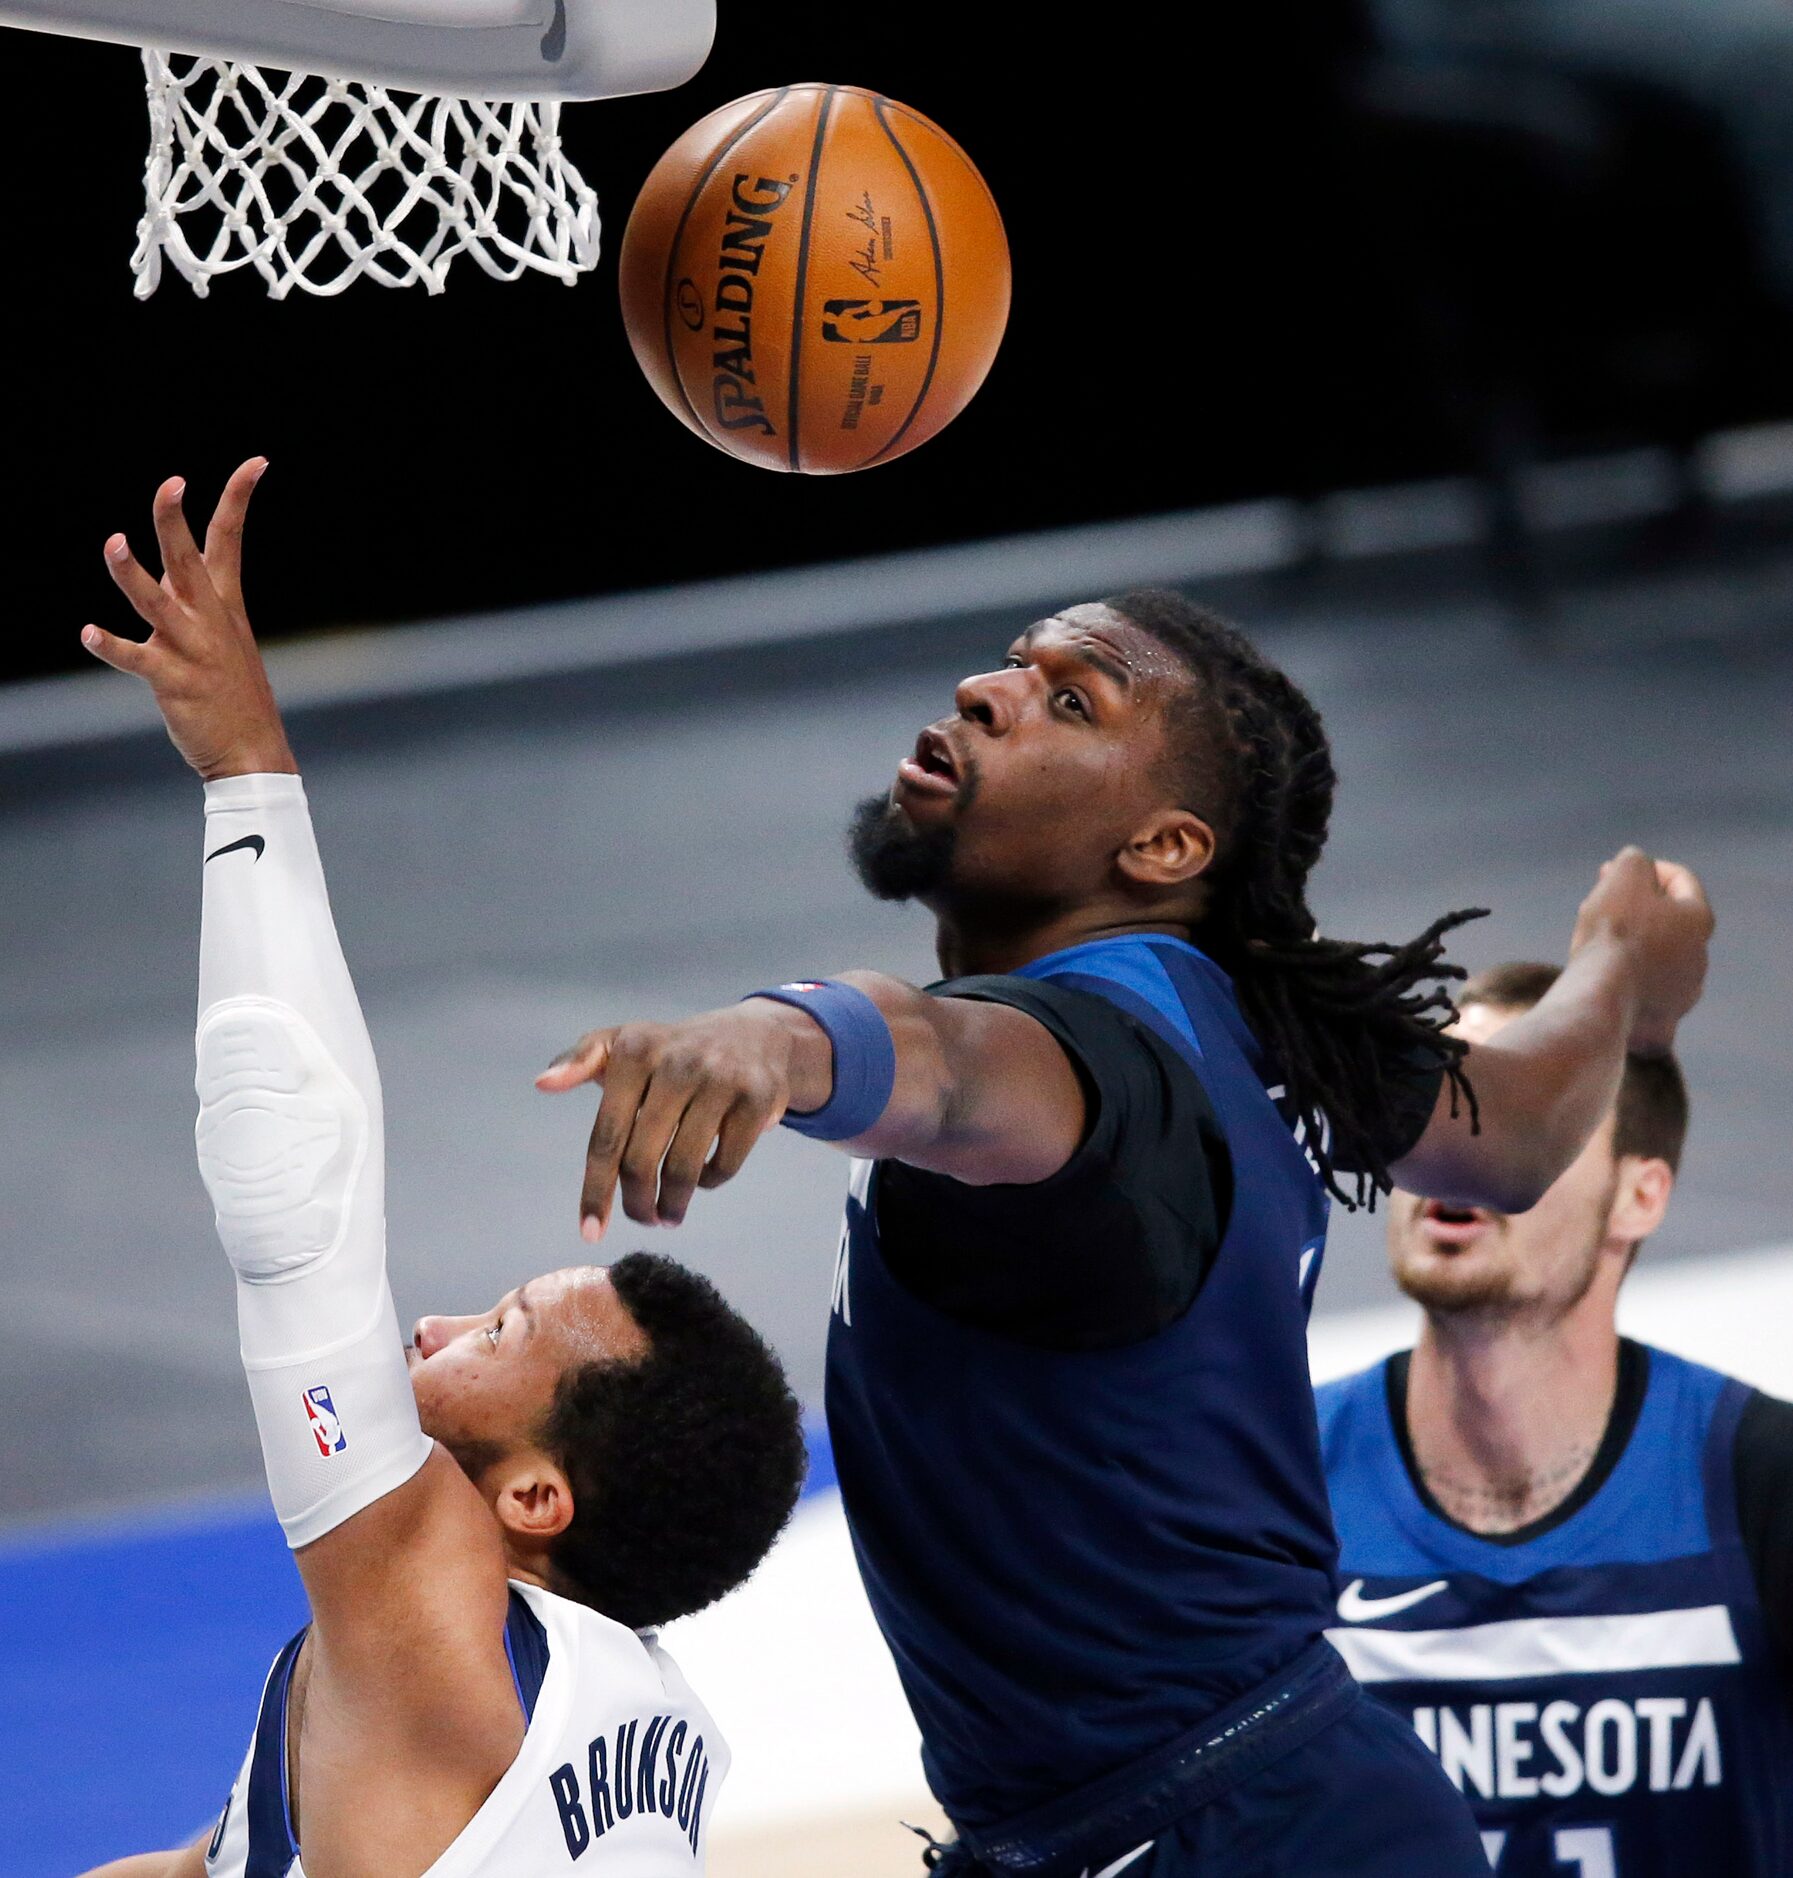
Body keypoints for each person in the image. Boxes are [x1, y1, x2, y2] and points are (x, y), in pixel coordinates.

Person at [534, 587, 1714, 1876]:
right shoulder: (1256, 1021)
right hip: (1224, 1814)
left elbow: (939, 1058)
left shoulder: (1095, 1060)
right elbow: (1524, 1127)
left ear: (1161, 848)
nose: (987, 696)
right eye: (1008, 666)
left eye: (1068, 700)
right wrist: (1619, 974)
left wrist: (774, 1034)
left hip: (1233, 1838)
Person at [74, 463, 807, 1878]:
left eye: (499, 1332)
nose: (433, 1325)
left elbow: (297, 1194)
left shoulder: (434, 1605)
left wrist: (247, 773)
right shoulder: (643, 1720)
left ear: (535, 1498)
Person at [1318, 960, 1793, 1876]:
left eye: (1515, 1121)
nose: (1456, 1149)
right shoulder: (1271, 1485)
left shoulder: (1757, 1481)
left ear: (1638, 1194)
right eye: (1434, 1105)